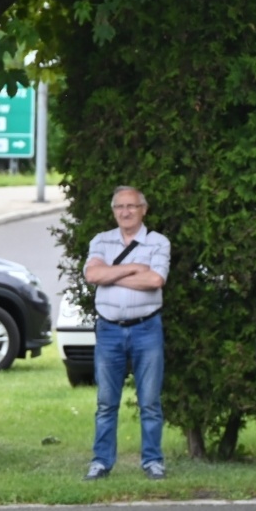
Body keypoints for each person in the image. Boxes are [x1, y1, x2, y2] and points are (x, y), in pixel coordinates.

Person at [82, 186, 172, 480]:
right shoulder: (101, 240)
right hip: (109, 330)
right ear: (113, 211)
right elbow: (92, 275)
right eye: (119, 206)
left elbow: (156, 279)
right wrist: (133, 267)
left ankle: (152, 461)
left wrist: (111, 275)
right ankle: (101, 462)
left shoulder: (158, 242)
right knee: (106, 403)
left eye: (131, 206)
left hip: (147, 329)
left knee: (149, 401)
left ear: (143, 209)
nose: (125, 212)